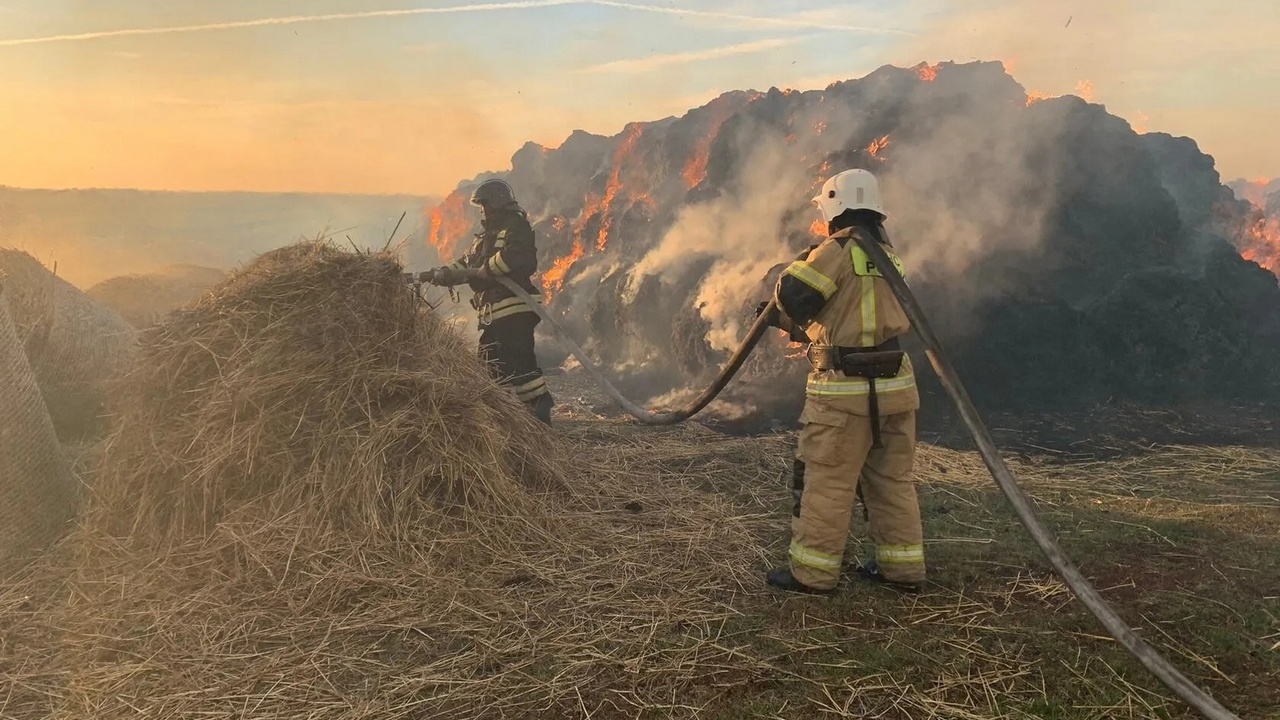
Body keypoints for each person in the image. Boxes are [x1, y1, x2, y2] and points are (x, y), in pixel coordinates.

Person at [757, 167, 926, 595]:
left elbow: (793, 297)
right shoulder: (889, 256)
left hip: (844, 392)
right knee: (891, 481)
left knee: (827, 481)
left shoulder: (835, 250)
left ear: (834, 205)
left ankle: (812, 574)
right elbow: (852, 315)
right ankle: (902, 569)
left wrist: (793, 273)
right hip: (896, 387)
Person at [425, 179, 554, 425]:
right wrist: (443, 274)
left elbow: (518, 256)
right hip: (492, 315)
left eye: (483, 205)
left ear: (495, 203)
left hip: (514, 311)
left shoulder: (517, 227)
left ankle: (540, 419)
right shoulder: (484, 238)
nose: (481, 211)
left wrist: (488, 268)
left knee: (520, 368)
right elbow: (467, 263)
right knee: (489, 368)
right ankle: (503, 423)